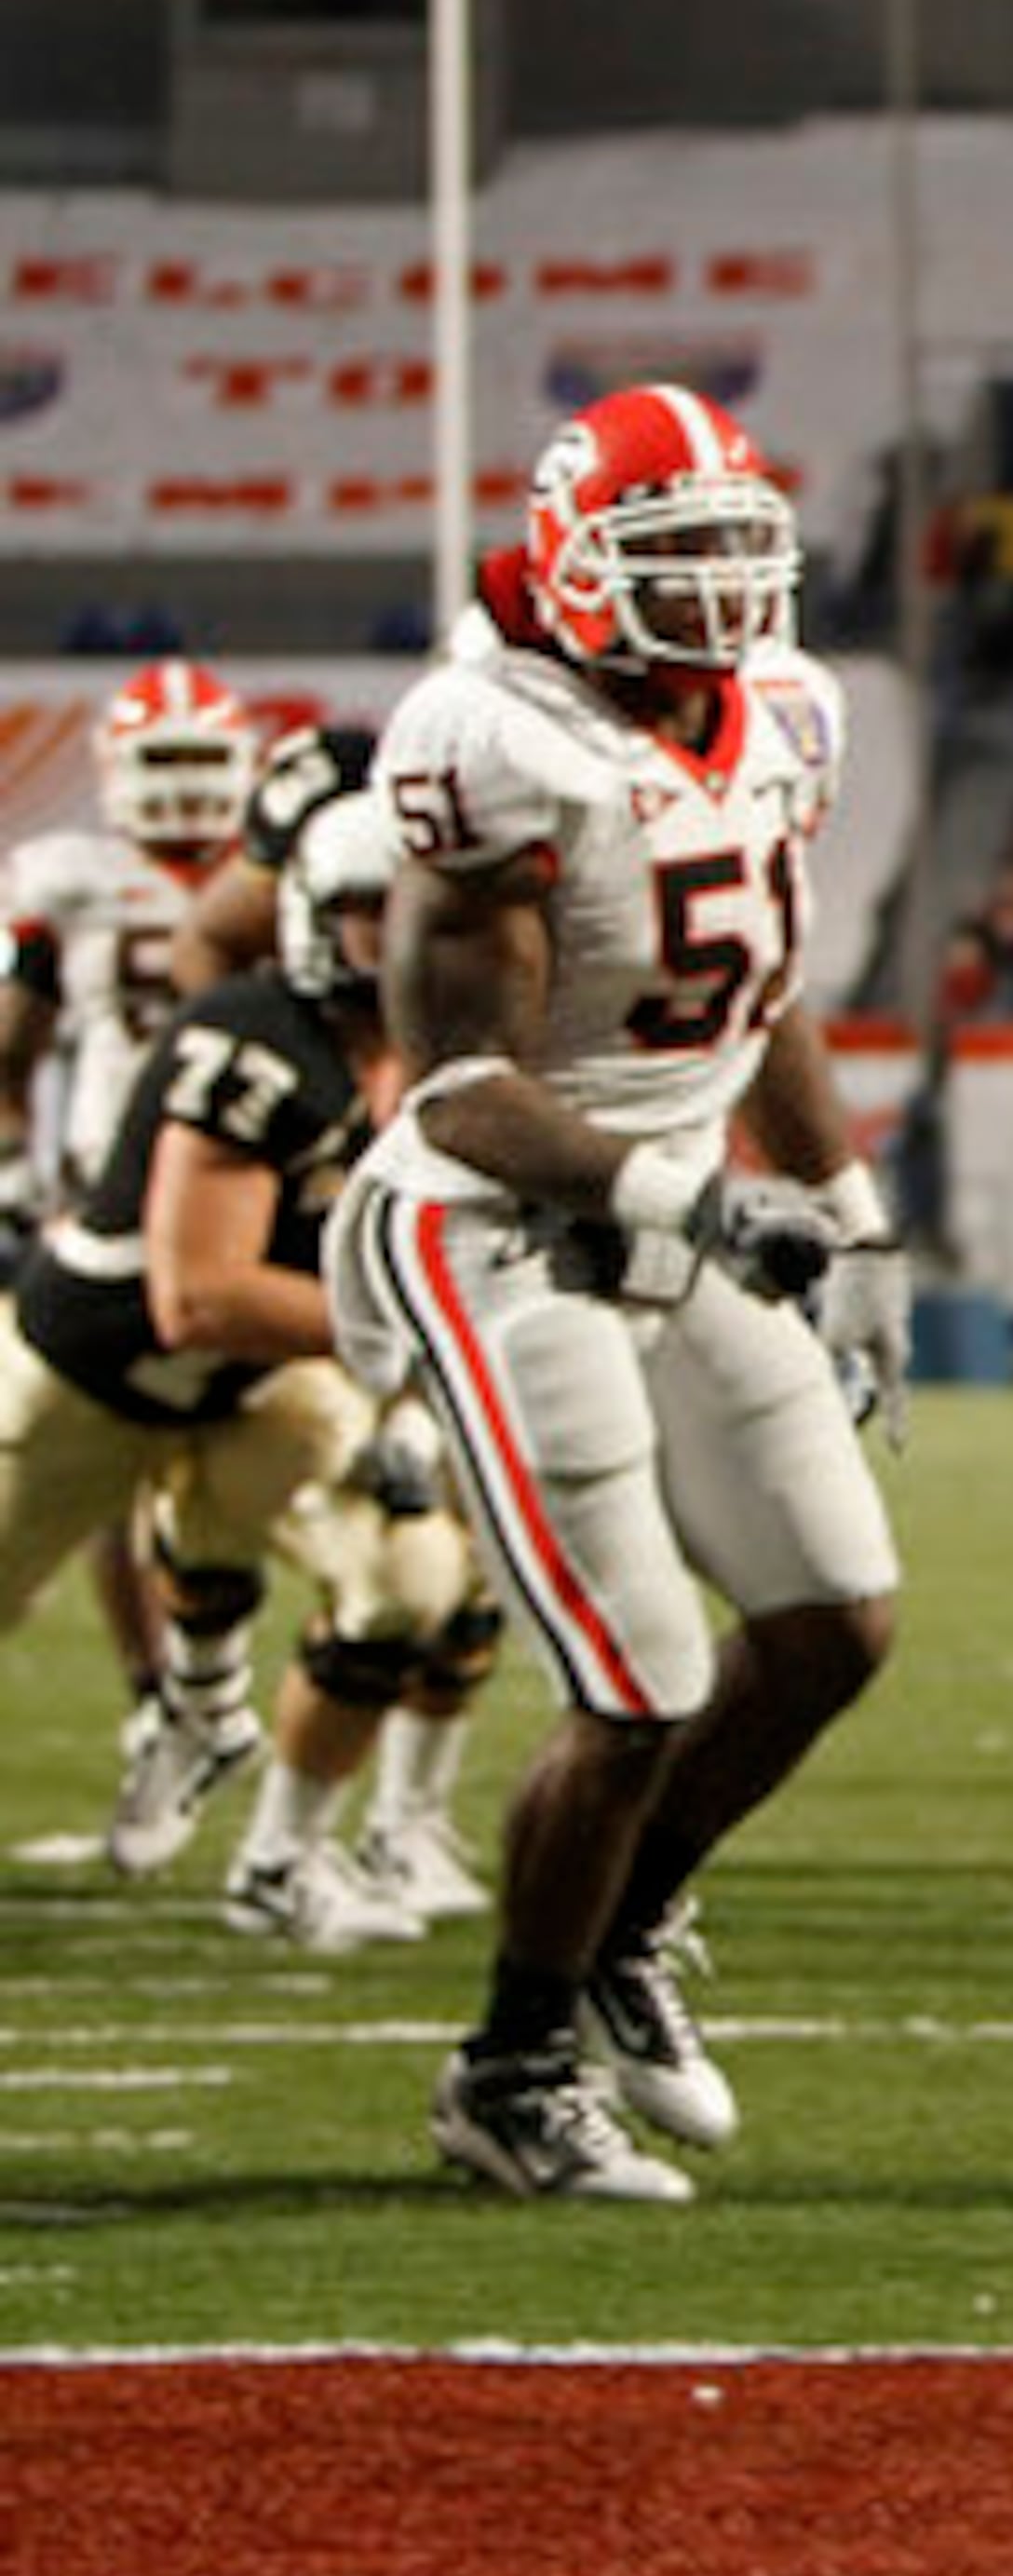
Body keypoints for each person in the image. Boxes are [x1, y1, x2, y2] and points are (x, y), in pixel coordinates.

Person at [325, 382, 910, 2203]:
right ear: (575, 567)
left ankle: (628, 1922)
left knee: (833, 1623)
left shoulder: (784, 713)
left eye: (741, 552)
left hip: (680, 1216)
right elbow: (460, 1092)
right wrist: (698, 1199)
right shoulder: (488, 738)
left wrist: (850, 1205)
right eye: (676, 560)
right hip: (493, 1232)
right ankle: (507, 2071)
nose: (722, 595)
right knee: (641, 1682)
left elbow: (764, 983)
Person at [7, 781, 484, 1950]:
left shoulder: (452, 1066)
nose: (412, 938)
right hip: (91, 1375)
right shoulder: (253, 1039)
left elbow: (441, 1271)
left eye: (431, 910)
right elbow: (199, 1293)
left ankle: (280, 1854)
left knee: (414, 1579)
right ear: (324, 917)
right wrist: (414, 1336)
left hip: (263, 1379)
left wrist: (414, 1408)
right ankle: (202, 1698)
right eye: (383, 911)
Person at [2, 658, 262, 1726]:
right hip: (109, 1190)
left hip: (245, 1190)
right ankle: (160, 1686)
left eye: (207, 761)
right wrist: (20, 1166)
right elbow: (14, 1047)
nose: (187, 788)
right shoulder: (71, 879)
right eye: (168, 763)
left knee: (235, 1456)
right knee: (103, 1453)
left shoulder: (273, 877)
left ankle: (207, 1673)